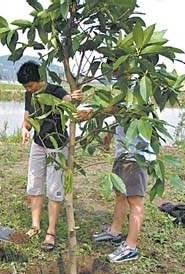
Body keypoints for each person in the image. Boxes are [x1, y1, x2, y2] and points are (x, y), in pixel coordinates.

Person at [17, 61, 82, 251]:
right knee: (34, 184)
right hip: (38, 144)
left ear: (41, 79)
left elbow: (68, 100)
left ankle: (51, 232)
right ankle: (35, 226)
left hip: (57, 146)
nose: (29, 90)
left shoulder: (55, 90)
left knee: (54, 189)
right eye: (26, 87)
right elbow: (28, 116)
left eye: (31, 86)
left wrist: (75, 97)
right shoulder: (30, 94)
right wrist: (24, 128)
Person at [76, 107, 156, 263]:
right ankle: (115, 232)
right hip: (123, 153)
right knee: (120, 194)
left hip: (136, 156)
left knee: (135, 200)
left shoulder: (135, 88)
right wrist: (109, 134)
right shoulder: (124, 88)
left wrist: (92, 113)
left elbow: (120, 107)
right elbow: (119, 114)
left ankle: (131, 247)